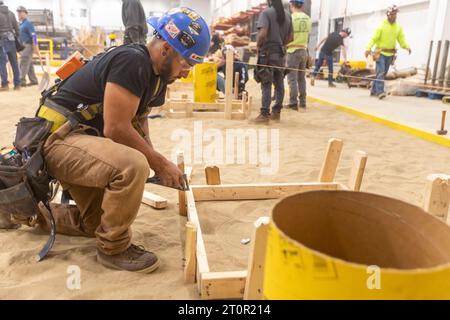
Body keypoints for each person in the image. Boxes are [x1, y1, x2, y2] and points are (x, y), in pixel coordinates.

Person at [3, 8, 210, 273]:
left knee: (95, 223)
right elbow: (116, 128)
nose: (186, 73)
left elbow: (138, 123)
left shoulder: (157, 80)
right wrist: (157, 164)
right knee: (133, 165)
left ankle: (22, 212)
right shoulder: (132, 61)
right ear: (166, 49)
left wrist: (160, 160)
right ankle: (115, 249)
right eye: (187, 63)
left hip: (78, 141)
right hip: (56, 140)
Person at [253, 0, 293, 123]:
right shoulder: (287, 15)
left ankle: (264, 114)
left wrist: (258, 46)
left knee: (266, 82)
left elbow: (263, 33)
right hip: (280, 54)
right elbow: (291, 37)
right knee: (279, 83)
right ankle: (276, 113)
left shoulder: (266, 13)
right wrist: (281, 45)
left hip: (267, 53)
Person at [365, 5, 411, 100]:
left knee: (383, 73)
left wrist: (406, 46)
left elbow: (401, 38)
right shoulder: (381, 26)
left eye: (395, 14)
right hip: (380, 53)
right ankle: (380, 92)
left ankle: (374, 90)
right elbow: (374, 38)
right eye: (392, 14)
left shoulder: (398, 27)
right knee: (381, 72)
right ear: (388, 14)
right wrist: (368, 48)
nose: (394, 16)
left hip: (390, 54)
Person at [285, 0, 311, 110]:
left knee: (292, 79)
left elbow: (287, 35)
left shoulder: (290, 18)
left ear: (291, 5)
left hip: (292, 51)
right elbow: (308, 35)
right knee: (301, 78)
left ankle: (293, 103)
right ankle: (303, 102)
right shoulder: (307, 18)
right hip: (304, 50)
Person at [0, 0, 20, 91]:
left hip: (1, 40)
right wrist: (17, 39)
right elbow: (17, 28)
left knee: (2, 62)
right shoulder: (11, 13)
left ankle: (5, 84)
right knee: (14, 62)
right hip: (11, 39)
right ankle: (17, 84)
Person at [17, 6, 38, 87]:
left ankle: (21, 80)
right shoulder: (21, 24)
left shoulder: (28, 24)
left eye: (20, 12)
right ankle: (34, 80)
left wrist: (35, 47)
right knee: (29, 63)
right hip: (23, 46)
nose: (18, 14)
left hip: (28, 45)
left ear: (25, 13)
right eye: (18, 12)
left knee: (23, 62)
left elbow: (34, 36)